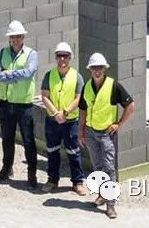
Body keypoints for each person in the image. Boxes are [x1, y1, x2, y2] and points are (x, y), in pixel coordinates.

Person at [78, 53, 136, 220]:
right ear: (90, 70)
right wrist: (80, 131)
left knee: (109, 168)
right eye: (94, 68)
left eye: (100, 68)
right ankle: (102, 195)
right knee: (97, 167)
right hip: (90, 132)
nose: (97, 71)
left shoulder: (114, 86)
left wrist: (118, 123)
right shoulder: (87, 86)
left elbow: (130, 105)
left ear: (105, 69)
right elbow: (83, 109)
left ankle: (111, 205)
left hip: (106, 134)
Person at [0, 20, 39, 189]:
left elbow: (29, 73)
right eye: (13, 37)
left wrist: (9, 73)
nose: (16, 39)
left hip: (24, 105)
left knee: (28, 140)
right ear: (9, 38)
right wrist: (14, 75)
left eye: (18, 36)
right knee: (7, 138)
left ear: (23, 37)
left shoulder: (31, 54)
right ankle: (7, 168)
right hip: (6, 103)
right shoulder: (1, 53)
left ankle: (31, 173)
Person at [40, 42, 86, 195]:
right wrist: (55, 113)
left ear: (70, 58)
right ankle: (52, 180)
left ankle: (78, 182)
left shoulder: (77, 76)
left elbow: (79, 98)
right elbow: (45, 96)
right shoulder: (49, 75)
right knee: (52, 151)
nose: (62, 59)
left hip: (70, 121)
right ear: (55, 57)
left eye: (65, 56)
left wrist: (64, 113)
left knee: (73, 152)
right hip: (53, 121)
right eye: (59, 56)